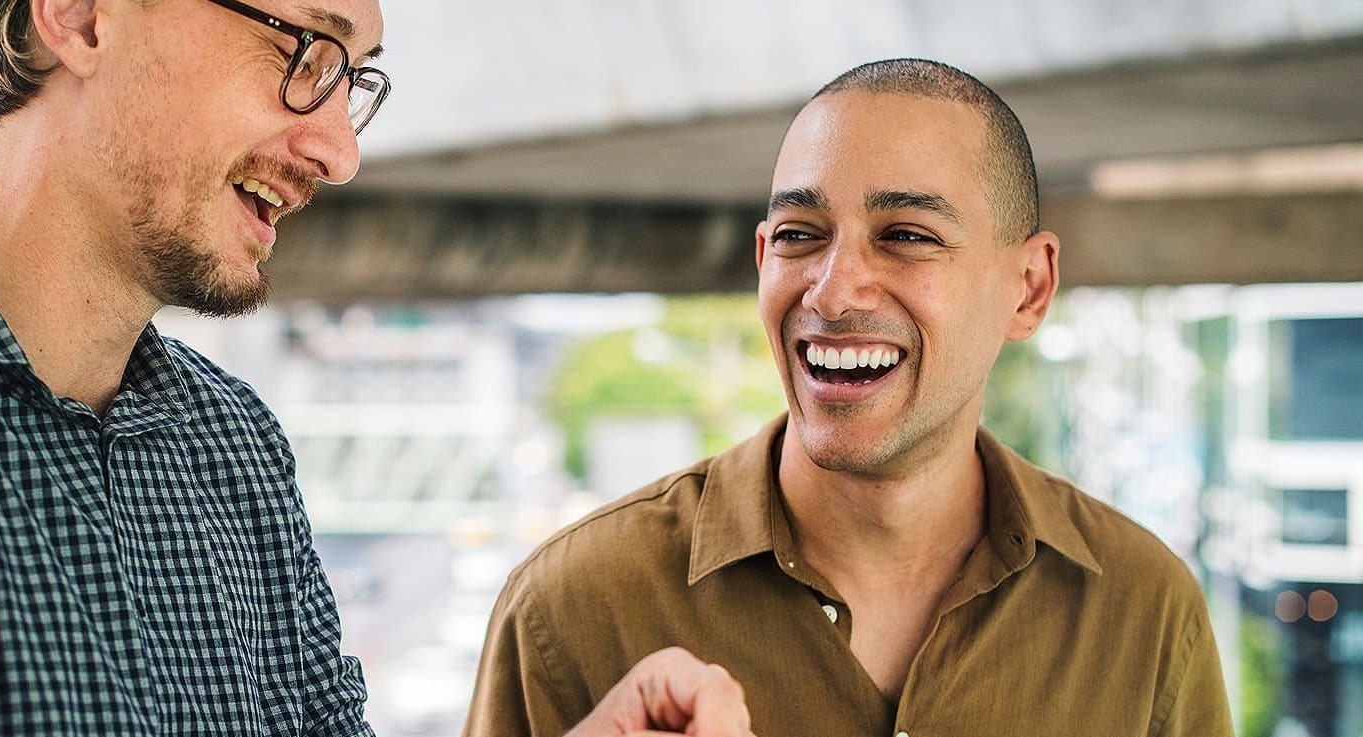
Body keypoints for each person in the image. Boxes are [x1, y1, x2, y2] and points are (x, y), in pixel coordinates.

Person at [0, 0, 754, 734]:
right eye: (302, 49)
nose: (339, 149)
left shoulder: (231, 443)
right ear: (82, 16)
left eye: (356, 78)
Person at [464, 58, 1233, 737]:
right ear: (763, 259)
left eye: (907, 235)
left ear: (1028, 288)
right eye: (799, 234)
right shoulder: (568, 607)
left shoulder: (1145, 609)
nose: (832, 292)